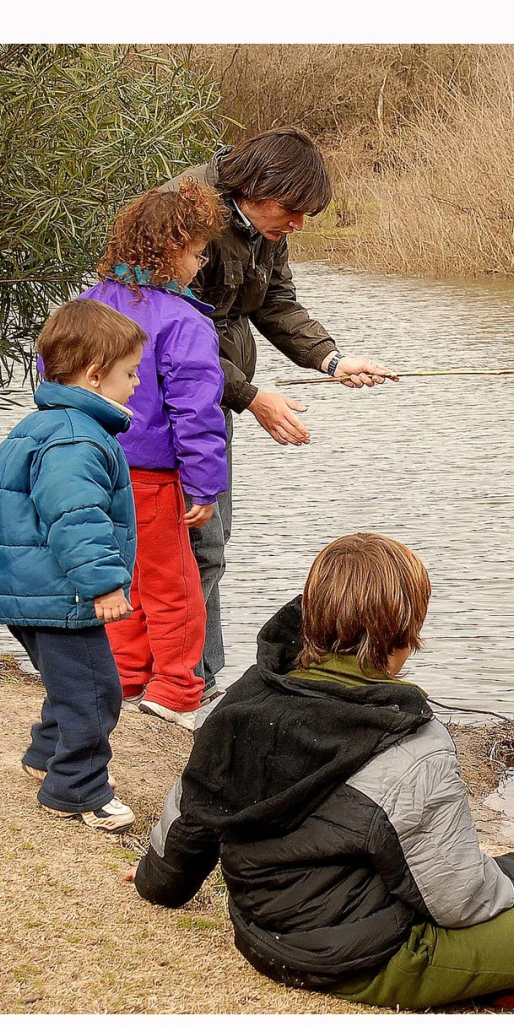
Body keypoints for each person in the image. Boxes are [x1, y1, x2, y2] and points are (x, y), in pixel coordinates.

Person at [128, 534, 514, 1009]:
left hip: (261, 937)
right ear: (403, 636)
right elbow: (458, 902)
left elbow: (190, 813)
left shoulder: (243, 699)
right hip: (361, 960)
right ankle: (478, 985)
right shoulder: (412, 744)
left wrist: (156, 882)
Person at [167, 128, 398, 700]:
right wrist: (251, 396)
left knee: (208, 543)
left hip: (212, 398)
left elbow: (275, 301)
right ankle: (185, 678)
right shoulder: (187, 212)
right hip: (169, 404)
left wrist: (331, 359)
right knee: (192, 542)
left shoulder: (262, 225)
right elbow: (169, 335)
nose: (297, 225)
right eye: (293, 210)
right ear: (256, 186)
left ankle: (198, 677)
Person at [0, 299, 144, 831]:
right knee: (97, 693)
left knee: (68, 684)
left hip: (26, 590)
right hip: (62, 593)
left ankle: (43, 756)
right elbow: (74, 516)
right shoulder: (77, 436)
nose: (136, 385)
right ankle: (76, 789)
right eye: (130, 374)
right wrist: (104, 583)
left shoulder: (41, 424)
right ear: (96, 376)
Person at [79, 179, 228, 732]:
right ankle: (177, 689)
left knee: (121, 577)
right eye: (197, 250)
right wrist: (204, 484)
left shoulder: (87, 306)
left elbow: (56, 379)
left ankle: (127, 677)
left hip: (93, 470)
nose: (201, 261)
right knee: (175, 585)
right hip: (152, 477)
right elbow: (197, 412)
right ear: (171, 251)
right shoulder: (184, 321)